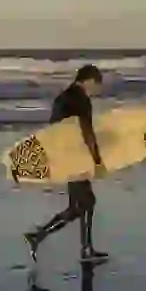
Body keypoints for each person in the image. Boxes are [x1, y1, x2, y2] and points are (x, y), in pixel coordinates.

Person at [24, 64, 109, 263]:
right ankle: (80, 248)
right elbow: (87, 132)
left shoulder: (62, 98)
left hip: (63, 156)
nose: (96, 89)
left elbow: (53, 129)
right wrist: (97, 160)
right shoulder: (82, 100)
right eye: (96, 84)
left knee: (77, 207)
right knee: (86, 202)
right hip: (74, 158)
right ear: (88, 80)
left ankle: (41, 236)